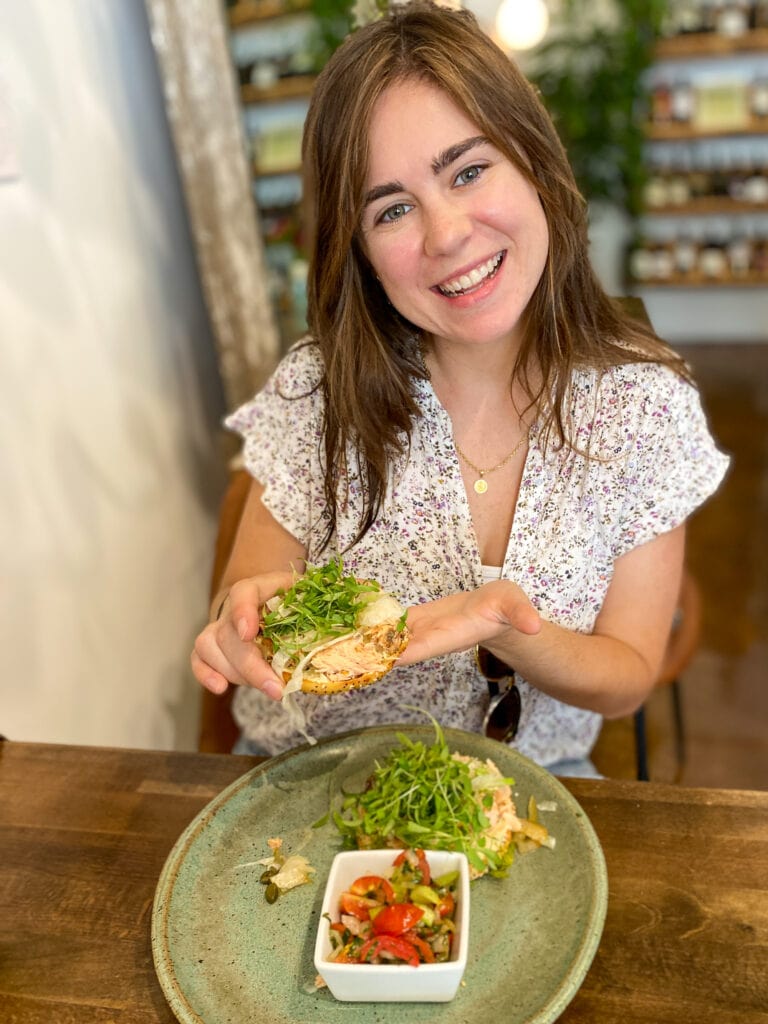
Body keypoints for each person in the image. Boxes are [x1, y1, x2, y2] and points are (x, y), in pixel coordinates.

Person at [191, 0, 729, 774]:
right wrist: (242, 622)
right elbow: (242, 601)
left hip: (529, 782)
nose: (445, 236)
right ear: (361, 250)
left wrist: (499, 625)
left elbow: (627, 677)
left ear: (537, 164)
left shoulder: (643, 408)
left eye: (469, 171)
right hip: (311, 772)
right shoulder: (318, 390)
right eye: (393, 210)